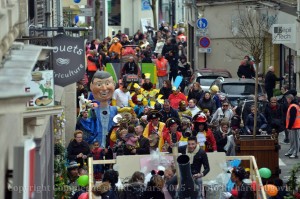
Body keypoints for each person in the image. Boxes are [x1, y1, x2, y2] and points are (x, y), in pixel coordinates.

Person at [90, 71, 118, 147]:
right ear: (91, 86)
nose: (104, 88)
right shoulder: (91, 112)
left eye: (107, 84)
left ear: (114, 85)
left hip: (112, 145)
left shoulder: (117, 110)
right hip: (96, 146)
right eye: (99, 84)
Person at [284, 94, 300, 159]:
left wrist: (289, 127)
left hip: (296, 126)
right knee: (293, 140)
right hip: (294, 126)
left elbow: (292, 118)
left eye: (287, 99)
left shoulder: (293, 106)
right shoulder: (294, 105)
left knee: (295, 140)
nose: (286, 101)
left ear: (289, 99)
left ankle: (295, 153)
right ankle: (291, 151)